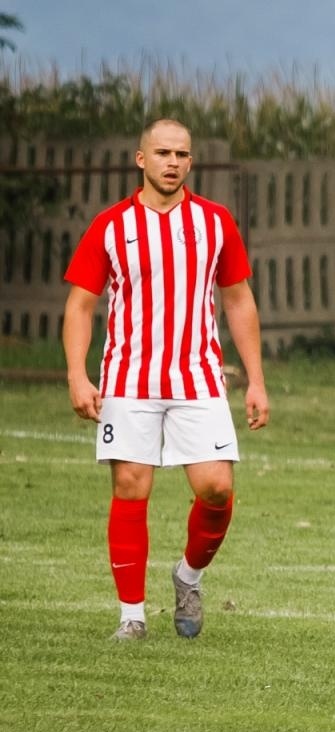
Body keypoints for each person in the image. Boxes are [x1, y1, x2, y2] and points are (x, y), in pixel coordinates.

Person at [62, 117, 271, 641]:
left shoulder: (215, 222)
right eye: (162, 153)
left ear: (191, 162)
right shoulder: (111, 226)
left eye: (181, 154)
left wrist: (256, 380)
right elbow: (80, 305)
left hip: (198, 378)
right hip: (129, 379)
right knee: (131, 488)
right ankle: (131, 617)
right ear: (141, 160)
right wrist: (76, 374)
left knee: (217, 489)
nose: (172, 162)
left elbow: (239, 300)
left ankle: (188, 577)